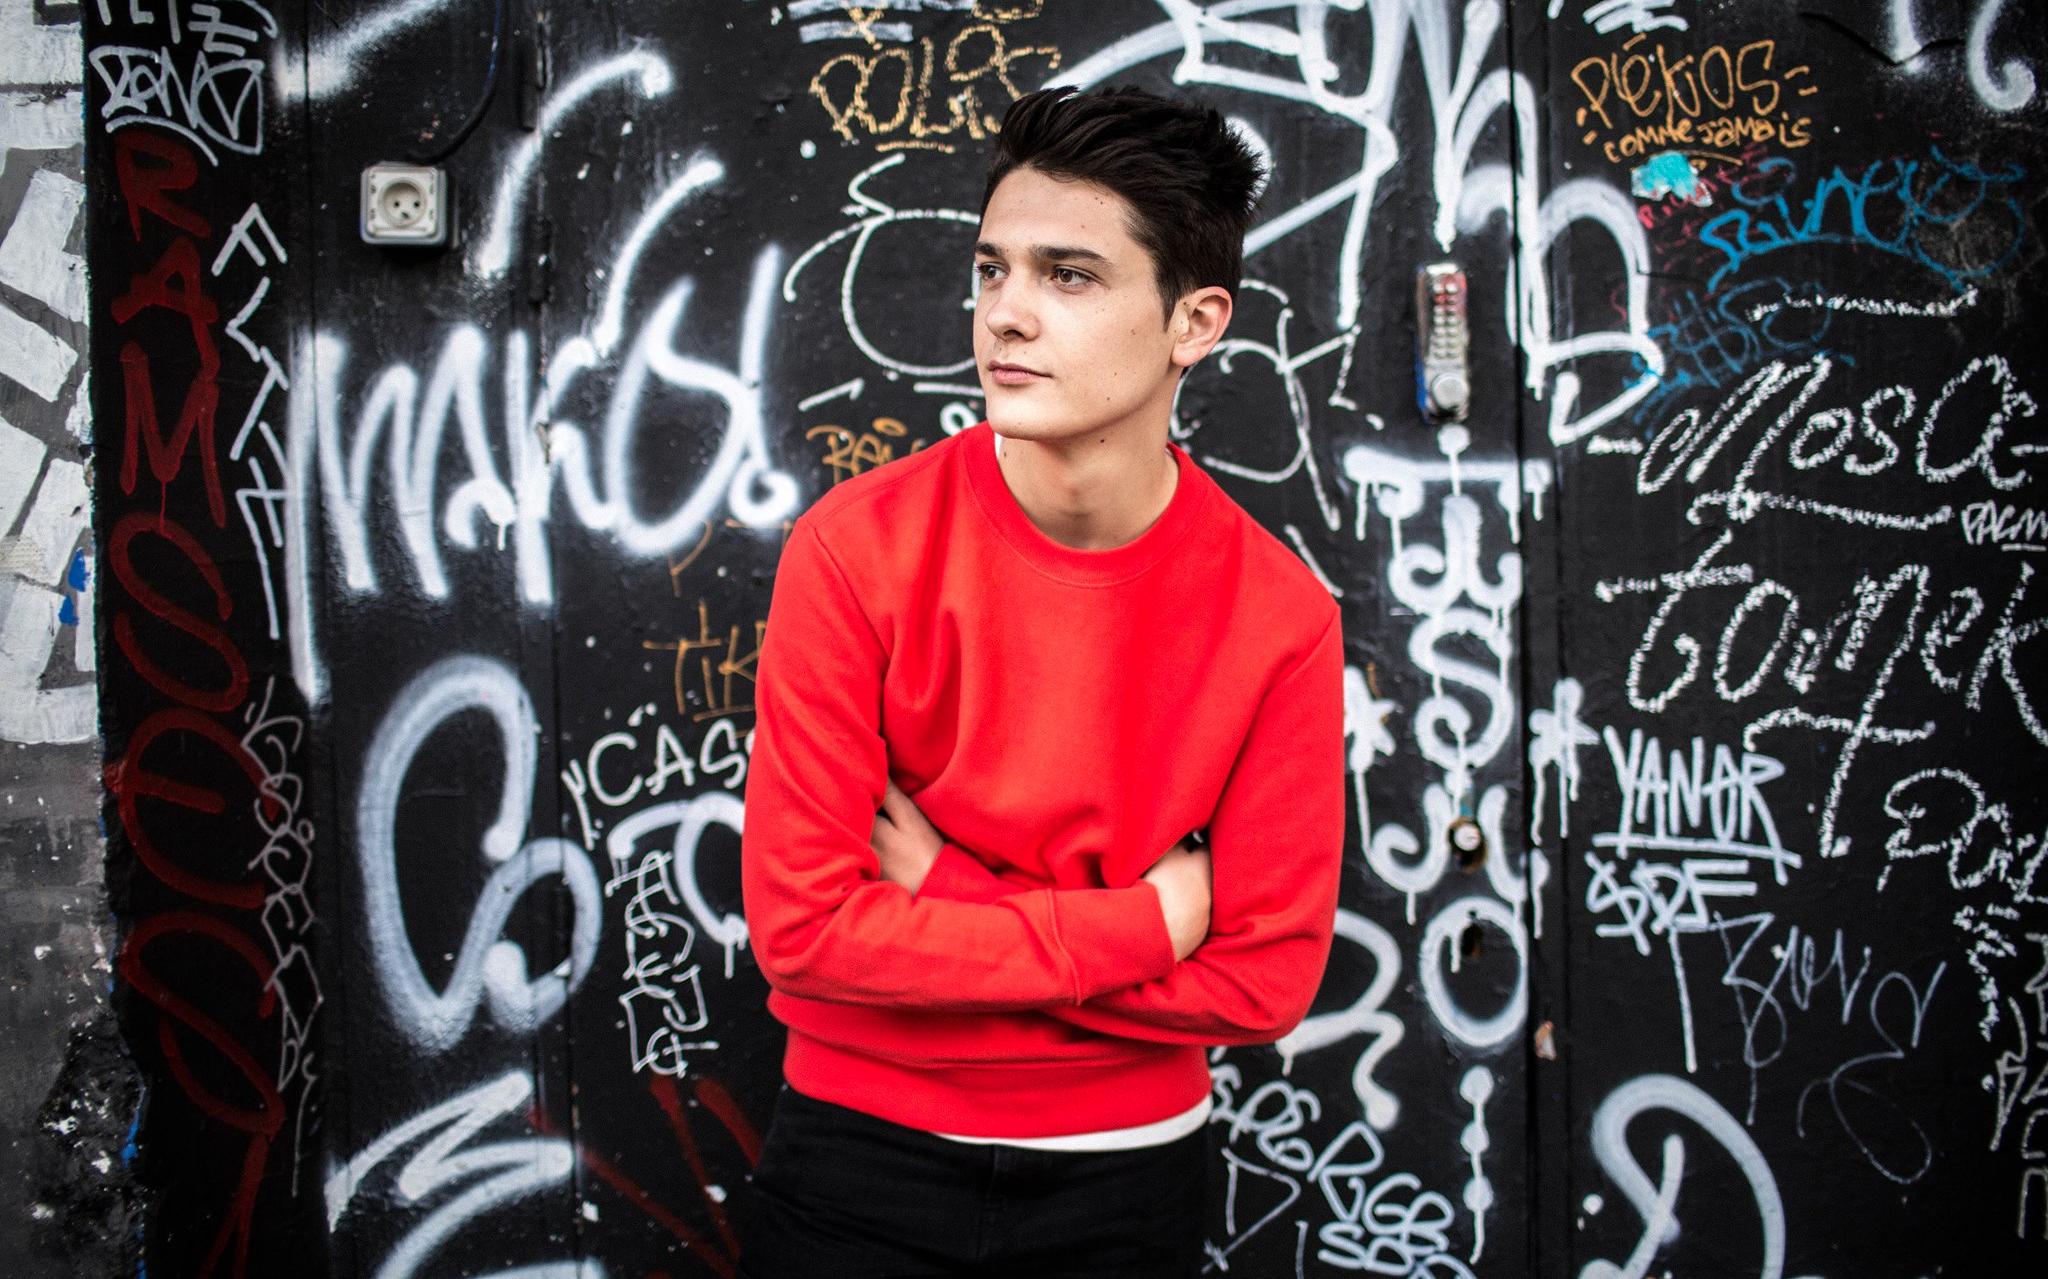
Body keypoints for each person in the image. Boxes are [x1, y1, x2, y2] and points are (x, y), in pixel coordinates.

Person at [737, 84, 1346, 1278]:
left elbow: (1262, 980)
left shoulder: (1278, 618)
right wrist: (1144, 922)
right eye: (990, 270)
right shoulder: (852, 552)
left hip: (1124, 1178)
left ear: (1193, 321)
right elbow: (804, 932)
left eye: (1068, 275)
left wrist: (944, 893)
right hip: (856, 1159)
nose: (1004, 315)